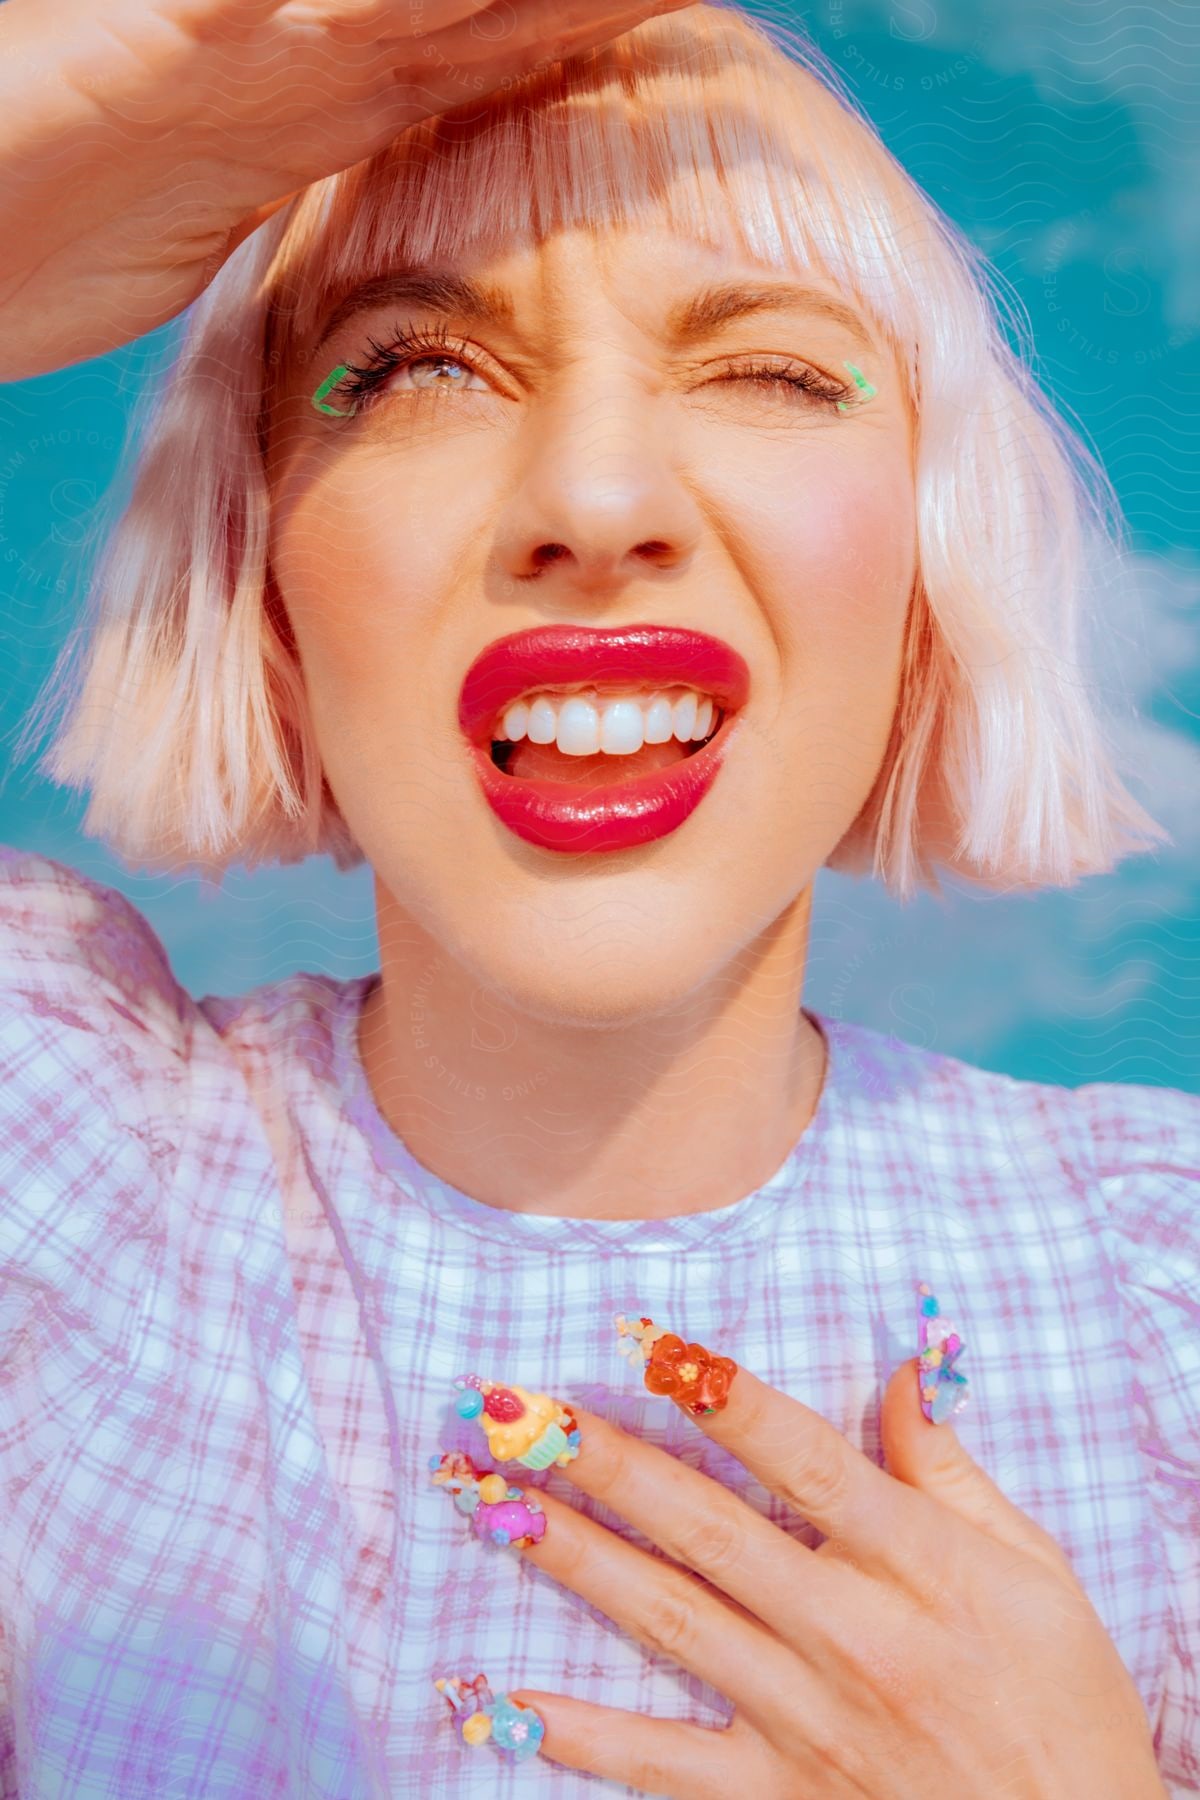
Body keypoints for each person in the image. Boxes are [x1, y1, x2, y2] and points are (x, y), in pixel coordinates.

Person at [0, 1, 1196, 1795]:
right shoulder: (63, 1177)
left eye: (774, 370)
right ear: (257, 575)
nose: (595, 495)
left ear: (935, 572)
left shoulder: (1163, 1287)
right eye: (415, 368)